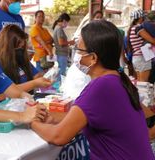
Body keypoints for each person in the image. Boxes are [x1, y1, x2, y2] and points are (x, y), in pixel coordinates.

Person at [31, 20, 154, 159]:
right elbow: (82, 116)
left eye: (79, 49)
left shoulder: (101, 87)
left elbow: (58, 137)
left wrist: (31, 121)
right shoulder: (118, 80)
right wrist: (52, 118)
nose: (76, 53)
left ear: (93, 58)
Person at [0, 24, 52, 94]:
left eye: (22, 47)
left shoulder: (22, 59)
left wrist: (48, 77)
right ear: (7, 46)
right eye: (17, 48)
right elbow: (5, 92)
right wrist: (34, 83)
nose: (20, 51)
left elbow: (36, 75)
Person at [127, 9, 155, 82]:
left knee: (140, 84)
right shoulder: (138, 28)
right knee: (144, 84)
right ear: (140, 18)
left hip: (137, 58)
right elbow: (152, 40)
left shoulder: (132, 28)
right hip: (142, 58)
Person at [52, 13, 75, 82]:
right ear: (64, 21)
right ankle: (59, 86)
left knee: (60, 71)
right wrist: (70, 42)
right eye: (67, 22)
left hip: (60, 53)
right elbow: (61, 43)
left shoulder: (57, 27)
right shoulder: (59, 29)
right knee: (62, 72)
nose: (67, 24)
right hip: (61, 54)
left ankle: (58, 85)